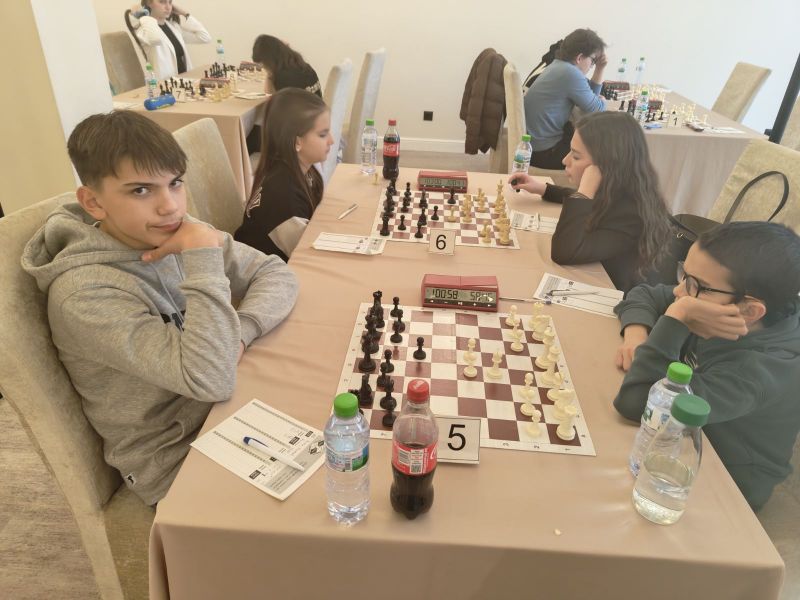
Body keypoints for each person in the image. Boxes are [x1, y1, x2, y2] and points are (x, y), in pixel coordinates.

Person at [21, 111, 298, 505]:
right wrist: (203, 260)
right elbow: (211, 379)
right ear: (93, 202)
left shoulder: (174, 229)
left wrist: (241, 333)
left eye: (175, 183)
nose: (170, 206)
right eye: (141, 190)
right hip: (174, 458)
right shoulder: (84, 293)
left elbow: (275, 273)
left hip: (228, 407)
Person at [613, 222, 800, 511]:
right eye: (683, 274)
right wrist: (636, 335)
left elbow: (636, 402)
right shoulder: (716, 301)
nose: (679, 291)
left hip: (726, 483)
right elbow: (646, 294)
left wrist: (677, 316)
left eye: (693, 284)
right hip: (684, 436)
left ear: (750, 310)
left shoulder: (760, 370)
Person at [509, 111, 671, 292]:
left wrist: (585, 190)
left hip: (616, 296)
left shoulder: (631, 214)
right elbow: (590, 200)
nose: (565, 160)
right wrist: (544, 189)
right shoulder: (619, 190)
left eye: (576, 156)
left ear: (605, 166)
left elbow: (564, 251)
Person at [235, 88, 333, 261]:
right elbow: (307, 256)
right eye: (323, 134)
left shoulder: (305, 172)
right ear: (297, 142)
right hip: (260, 273)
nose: (331, 141)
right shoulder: (282, 195)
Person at [524, 28, 607, 169]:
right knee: (603, 154)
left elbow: (589, 102)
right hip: (545, 152)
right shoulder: (570, 73)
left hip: (535, 146)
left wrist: (600, 68)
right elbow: (595, 111)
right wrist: (602, 102)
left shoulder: (558, 66)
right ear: (579, 58)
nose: (591, 66)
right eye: (593, 61)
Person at [125, 1, 211, 80]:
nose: (168, 7)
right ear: (148, 4)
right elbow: (155, 39)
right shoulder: (143, 30)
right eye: (162, 2)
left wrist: (185, 14)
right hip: (164, 84)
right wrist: (144, 16)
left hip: (185, 81)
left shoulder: (174, 27)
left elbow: (205, 37)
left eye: (170, 2)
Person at [252, 34, 321, 97]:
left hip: (299, 106)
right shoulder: (301, 65)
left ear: (269, 60)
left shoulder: (283, 77)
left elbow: (270, 95)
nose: (264, 67)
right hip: (315, 106)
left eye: (264, 64)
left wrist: (269, 74)